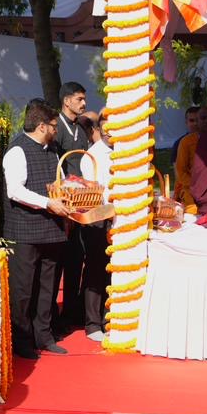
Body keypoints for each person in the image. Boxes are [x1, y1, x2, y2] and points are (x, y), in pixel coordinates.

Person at [2, 99, 69, 359]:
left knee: (47, 288)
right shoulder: (17, 150)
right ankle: (23, 341)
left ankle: (44, 336)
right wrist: (48, 203)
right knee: (23, 290)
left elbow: (59, 182)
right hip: (24, 232)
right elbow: (15, 190)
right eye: (54, 126)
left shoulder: (53, 150)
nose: (56, 130)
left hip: (51, 230)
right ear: (42, 126)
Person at [53, 82, 89, 331]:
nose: (83, 103)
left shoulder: (81, 129)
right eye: (79, 99)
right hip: (63, 204)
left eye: (84, 99)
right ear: (67, 101)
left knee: (77, 258)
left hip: (83, 202)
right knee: (59, 262)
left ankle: (72, 312)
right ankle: (53, 317)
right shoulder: (57, 127)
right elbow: (55, 168)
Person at [78, 114, 113, 342]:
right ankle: (92, 324)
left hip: (122, 218)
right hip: (99, 218)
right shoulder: (91, 156)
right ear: (100, 130)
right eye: (107, 130)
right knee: (95, 270)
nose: (112, 134)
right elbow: (95, 191)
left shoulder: (126, 152)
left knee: (114, 270)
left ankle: (109, 318)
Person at [173, 104, 207, 207]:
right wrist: (197, 184)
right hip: (191, 187)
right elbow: (180, 172)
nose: (206, 122)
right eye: (203, 119)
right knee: (193, 209)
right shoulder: (185, 142)